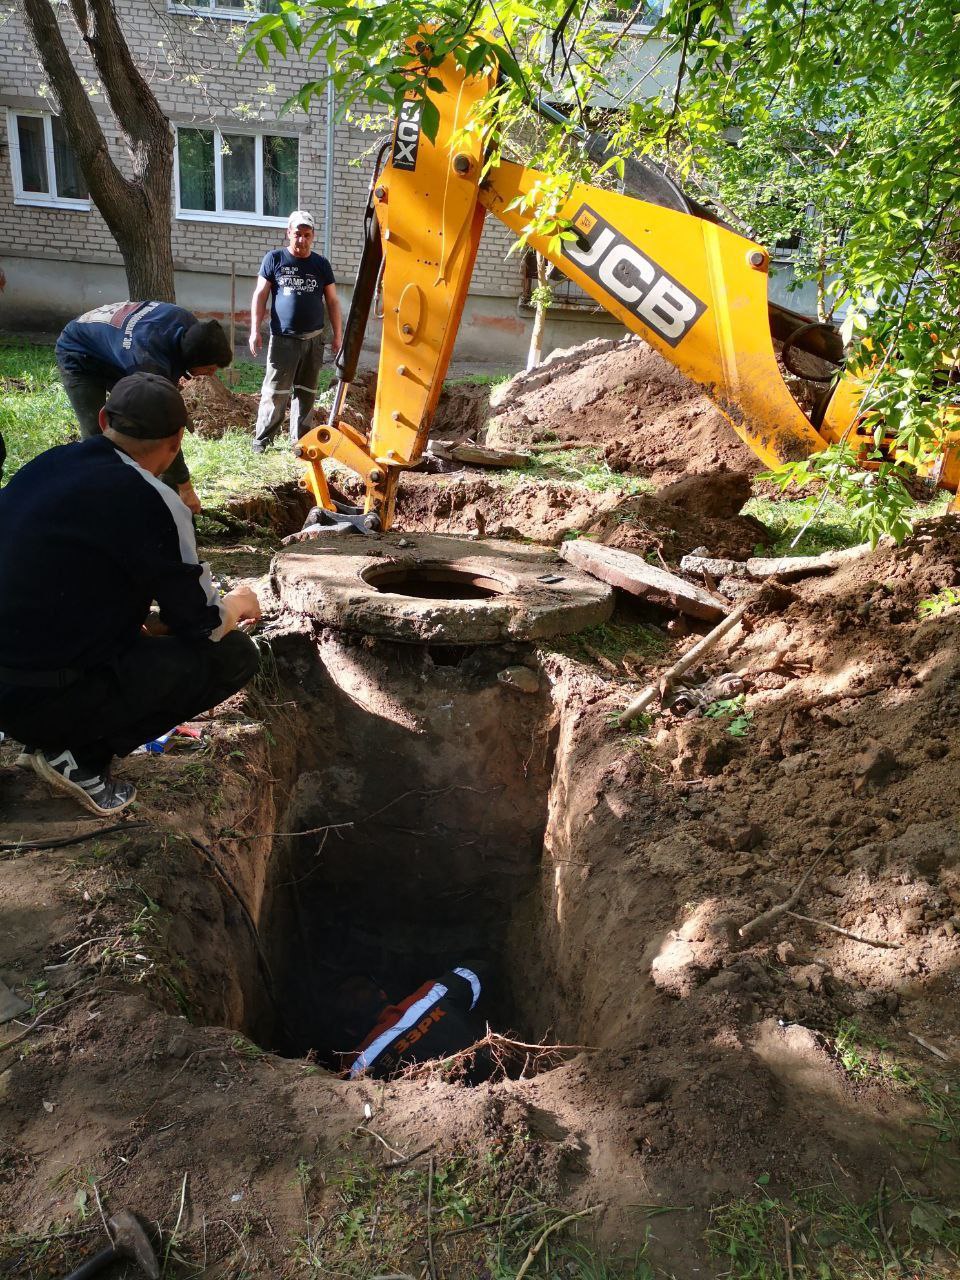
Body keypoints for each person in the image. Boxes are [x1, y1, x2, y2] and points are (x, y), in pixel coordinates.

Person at [0, 372, 261, 816]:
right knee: (235, 655)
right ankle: (78, 758)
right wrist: (239, 600)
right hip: (42, 696)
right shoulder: (154, 500)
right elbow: (203, 625)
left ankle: (46, 733)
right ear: (177, 441)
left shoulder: (47, 465)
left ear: (103, 419)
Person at [55, 301, 234, 514]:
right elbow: (166, 430)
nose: (212, 374)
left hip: (117, 347)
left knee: (149, 426)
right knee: (99, 435)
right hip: (79, 352)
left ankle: (166, 503)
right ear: (194, 358)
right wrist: (186, 487)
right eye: (210, 368)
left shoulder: (191, 329)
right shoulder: (148, 360)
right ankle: (103, 504)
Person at [248, 209, 343, 453]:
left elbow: (332, 301)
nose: (302, 240)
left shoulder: (321, 265)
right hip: (283, 341)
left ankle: (299, 443)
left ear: (313, 237)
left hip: (313, 341)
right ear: (289, 233)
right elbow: (260, 295)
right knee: (275, 392)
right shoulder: (275, 259)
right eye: (297, 234)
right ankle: (262, 442)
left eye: (307, 235)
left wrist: (338, 336)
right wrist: (254, 330)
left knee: (306, 393)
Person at [341, 967, 489, 1081]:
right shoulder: (433, 993)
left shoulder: (357, 1068)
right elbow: (479, 969)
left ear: (350, 1030)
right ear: (382, 994)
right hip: (500, 1079)